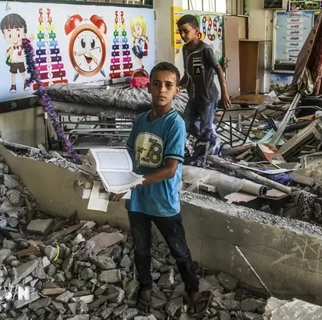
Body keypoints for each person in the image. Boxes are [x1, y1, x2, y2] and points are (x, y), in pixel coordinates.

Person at [111, 62, 212, 317]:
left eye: (169, 85)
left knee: (179, 249)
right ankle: (146, 288)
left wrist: (133, 183)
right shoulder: (142, 120)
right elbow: (129, 155)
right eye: (157, 84)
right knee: (141, 248)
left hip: (163, 202)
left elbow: (169, 169)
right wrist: (113, 181)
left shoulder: (174, 124)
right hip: (137, 201)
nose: (162, 90)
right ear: (149, 86)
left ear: (177, 90)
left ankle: (193, 290)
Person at [177, 14, 231, 138]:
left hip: (207, 98)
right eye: (180, 32)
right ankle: (207, 139)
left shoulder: (204, 49)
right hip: (193, 97)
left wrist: (224, 92)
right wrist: (178, 86)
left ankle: (206, 148)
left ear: (196, 31)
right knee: (184, 124)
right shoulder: (185, 49)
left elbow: (218, 69)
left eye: (186, 31)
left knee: (204, 129)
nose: (183, 35)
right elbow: (187, 74)